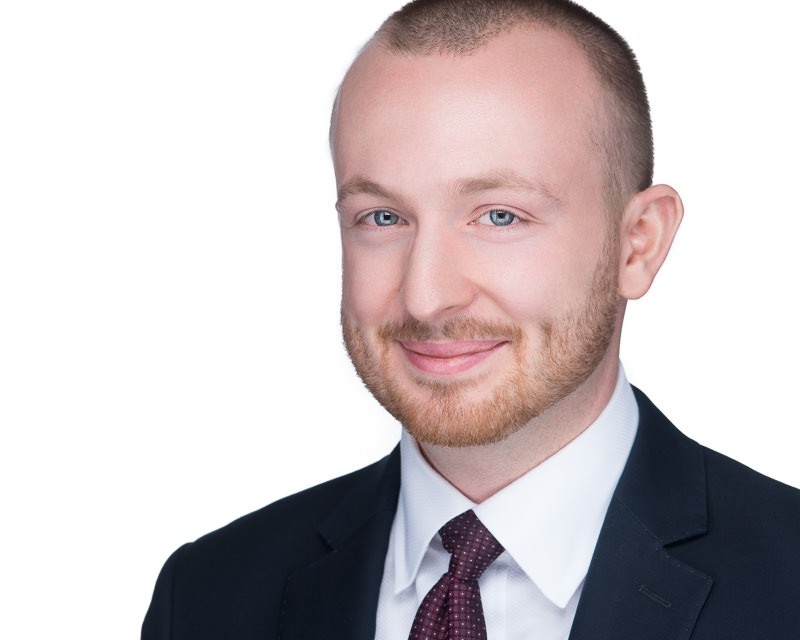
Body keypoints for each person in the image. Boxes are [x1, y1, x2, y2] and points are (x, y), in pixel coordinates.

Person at [142, 0, 800, 638]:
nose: (425, 297)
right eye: (383, 218)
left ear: (638, 245)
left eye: (499, 217)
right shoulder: (205, 597)